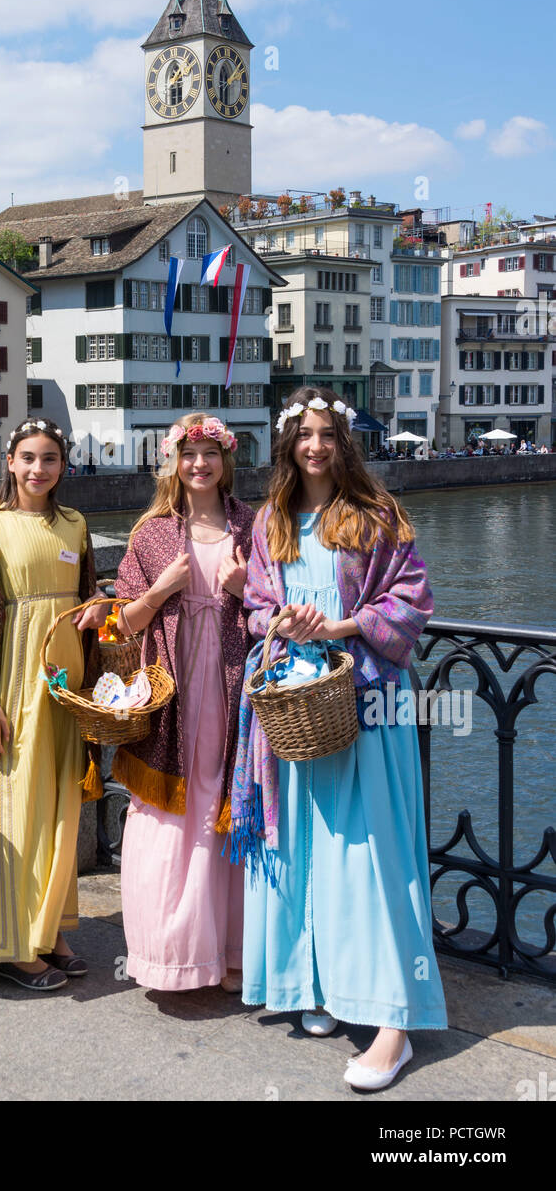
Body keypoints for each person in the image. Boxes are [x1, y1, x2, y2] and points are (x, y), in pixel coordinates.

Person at [232, 386, 446, 1092]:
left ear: (343, 442)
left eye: (326, 434)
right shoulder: (271, 520)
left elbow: (411, 600)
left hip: (365, 697)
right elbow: (255, 603)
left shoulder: (375, 513)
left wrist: (342, 627)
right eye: (304, 435)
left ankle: (396, 1024)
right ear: (287, 444)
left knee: (374, 854)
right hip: (299, 701)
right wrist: (283, 622)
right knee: (306, 849)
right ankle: (318, 984)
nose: (315, 446)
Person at [0, 418, 102, 992]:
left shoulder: (76, 524)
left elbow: (88, 598)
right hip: (14, 679)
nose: (39, 469)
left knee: (61, 804)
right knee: (13, 806)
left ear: (63, 465)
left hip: (67, 683)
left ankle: (52, 930)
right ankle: (10, 945)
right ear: (9, 461)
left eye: (51, 459)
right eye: (29, 458)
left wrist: (99, 606)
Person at [106, 414, 253, 992]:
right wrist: (163, 587)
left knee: (224, 797)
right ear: (172, 461)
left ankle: (231, 952)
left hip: (233, 683)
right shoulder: (151, 533)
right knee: (172, 810)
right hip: (173, 687)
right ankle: (172, 956)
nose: (199, 464)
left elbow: (278, 606)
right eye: (188, 454)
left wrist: (244, 591)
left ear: (226, 460)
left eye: (210, 453)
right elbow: (122, 623)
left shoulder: (252, 524)